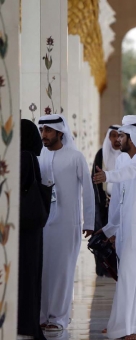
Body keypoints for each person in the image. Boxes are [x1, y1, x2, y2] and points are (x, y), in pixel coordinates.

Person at [93, 123, 136, 340]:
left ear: (131, 138)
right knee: (130, 277)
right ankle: (129, 326)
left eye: (122, 136)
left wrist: (108, 176)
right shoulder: (130, 159)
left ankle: (135, 328)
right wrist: (109, 230)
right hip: (131, 228)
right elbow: (121, 201)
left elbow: (132, 172)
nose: (118, 140)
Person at [38, 114, 95, 332]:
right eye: (42, 130)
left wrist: (88, 221)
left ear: (60, 133)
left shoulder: (75, 157)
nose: (44, 135)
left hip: (67, 223)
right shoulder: (39, 156)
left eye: (48, 131)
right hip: (42, 224)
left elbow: (88, 191)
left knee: (63, 271)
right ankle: (42, 316)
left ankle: (59, 318)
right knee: (43, 270)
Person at [18, 119, 46, 340]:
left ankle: (24, 324)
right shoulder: (30, 157)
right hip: (32, 227)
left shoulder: (23, 158)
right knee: (30, 276)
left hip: (23, 228)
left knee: (25, 277)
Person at [92, 124, 121, 277]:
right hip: (103, 204)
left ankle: (117, 267)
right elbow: (94, 180)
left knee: (118, 236)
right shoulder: (100, 154)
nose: (116, 139)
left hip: (121, 205)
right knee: (102, 235)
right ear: (108, 137)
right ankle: (102, 268)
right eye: (113, 135)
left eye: (119, 136)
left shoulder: (126, 155)